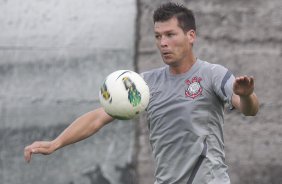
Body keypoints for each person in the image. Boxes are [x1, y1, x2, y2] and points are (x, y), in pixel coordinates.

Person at [24, 2, 259, 184]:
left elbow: (248, 109)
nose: (162, 43)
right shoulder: (144, 84)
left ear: (191, 36)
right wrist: (56, 143)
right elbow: (98, 117)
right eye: (158, 36)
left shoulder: (212, 75)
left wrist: (247, 95)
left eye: (170, 34)